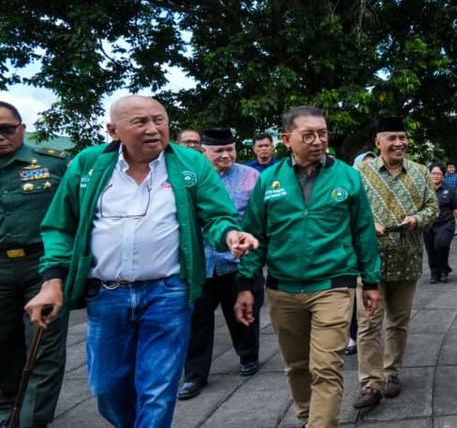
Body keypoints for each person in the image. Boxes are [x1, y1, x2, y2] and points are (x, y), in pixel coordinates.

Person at [26, 95, 258, 428]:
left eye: (159, 120)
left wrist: (229, 235)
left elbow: (217, 215)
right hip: (106, 295)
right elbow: (60, 227)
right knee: (107, 389)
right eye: (140, 122)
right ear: (113, 130)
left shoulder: (191, 163)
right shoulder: (88, 164)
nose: (153, 129)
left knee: (157, 388)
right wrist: (52, 282)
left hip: (168, 293)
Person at [234, 106, 381, 428]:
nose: (318, 141)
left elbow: (363, 231)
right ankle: (307, 417)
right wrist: (245, 285)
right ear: (287, 139)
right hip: (283, 289)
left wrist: (370, 282)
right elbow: (255, 233)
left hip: (333, 285)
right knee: (297, 366)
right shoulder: (268, 181)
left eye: (323, 133)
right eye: (309, 135)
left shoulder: (348, 176)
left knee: (326, 367)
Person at [350, 116, 435, 409]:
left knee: (398, 322)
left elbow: (432, 208)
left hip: (407, 259)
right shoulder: (359, 173)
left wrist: (417, 219)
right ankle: (369, 384)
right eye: (392, 138)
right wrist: (367, 222)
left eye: (402, 137)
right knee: (369, 323)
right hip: (370, 261)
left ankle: (391, 374)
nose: (399, 143)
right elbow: (348, 210)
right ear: (378, 142)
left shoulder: (421, 172)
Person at [177, 128, 263, 401]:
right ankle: (194, 375)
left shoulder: (252, 177)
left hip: (238, 263)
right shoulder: (190, 177)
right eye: (219, 151)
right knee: (196, 323)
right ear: (204, 150)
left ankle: (248, 357)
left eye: (231, 149)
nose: (226, 155)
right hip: (201, 264)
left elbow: (258, 220)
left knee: (243, 315)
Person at [0, 101, 69, 428]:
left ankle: (30, 421)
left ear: (21, 129)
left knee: (43, 349)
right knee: (4, 346)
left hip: (42, 268)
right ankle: (6, 413)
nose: (0, 137)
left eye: (6, 129)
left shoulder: (52, 165)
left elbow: (75, 216)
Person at [424, 165, 457, 283]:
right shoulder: (424, 190)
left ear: (443, 176)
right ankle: (435, 273)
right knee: (431, 250)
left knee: (441, 245)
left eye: (438, 173)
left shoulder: (449, 190)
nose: (435, 176)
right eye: (433, 173)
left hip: (446, 223)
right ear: (429, 174)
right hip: (429, 224)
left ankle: (444, 269)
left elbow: (456, 207)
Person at [444, 164, 457, 238]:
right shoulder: (444, 176)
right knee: (447, 215)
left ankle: (456, 232)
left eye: (453, 167)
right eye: (450, 167)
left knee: (456, 216)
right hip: (446, 198)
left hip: (454, 198)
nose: (451, 169)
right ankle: (448, 231)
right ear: (447, 168)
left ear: (455, 168)